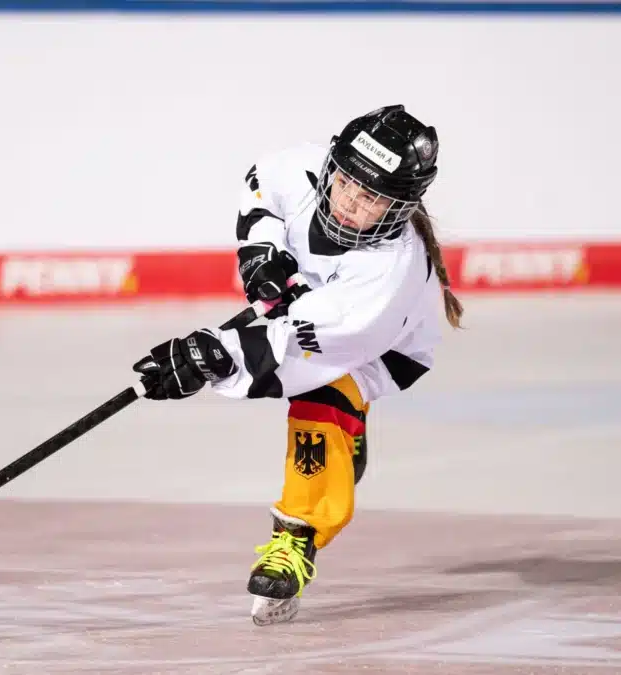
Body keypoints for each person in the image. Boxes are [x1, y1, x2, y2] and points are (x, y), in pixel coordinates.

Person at [132, 104, 464, 626]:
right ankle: (346, 434)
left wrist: (214, 356)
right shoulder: (301, 168)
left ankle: (297, 538)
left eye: (373, 197)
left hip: (381, 348)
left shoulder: (386, 278)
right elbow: (265, 186)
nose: (352, 201)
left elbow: (295, 347)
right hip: (320, 308)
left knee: (321, 399)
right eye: (348, 183)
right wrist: (263, 253)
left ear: (400, 207)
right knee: (310, 386)